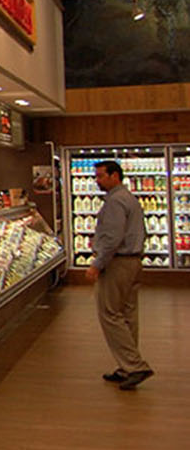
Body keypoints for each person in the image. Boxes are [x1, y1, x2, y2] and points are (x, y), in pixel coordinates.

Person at [86, 160, 152, 390]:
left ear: (115, 176)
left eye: (101, 176)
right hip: (133, 262)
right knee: (127, 314)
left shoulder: (115, 201)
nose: (97, 180)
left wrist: (97, 263)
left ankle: (135, 366)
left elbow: (113, 238)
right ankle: (127, 367)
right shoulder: (128, 198)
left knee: (109, 313)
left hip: (117, 264)